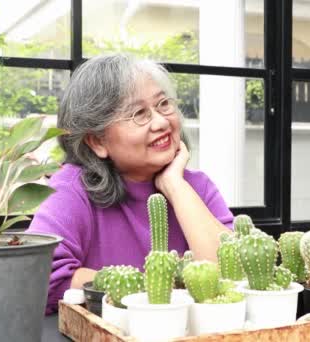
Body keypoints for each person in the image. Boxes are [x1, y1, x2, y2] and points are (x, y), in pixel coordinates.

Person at [27, 54, 233, 314]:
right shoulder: (71, 189)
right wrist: (155, 289)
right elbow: (44, 278)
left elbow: (235, 274)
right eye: (139, 114)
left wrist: (175, 186)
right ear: (97, 142)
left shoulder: (196, 187)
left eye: (163, 104)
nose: (161, 122)